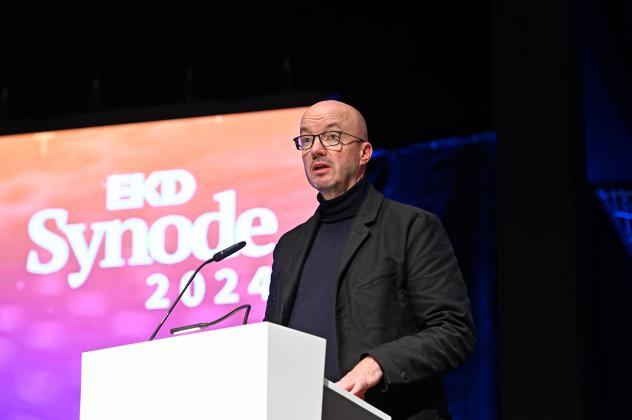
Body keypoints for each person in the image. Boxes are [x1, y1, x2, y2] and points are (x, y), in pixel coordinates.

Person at [264, 100, 475, 420]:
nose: (316, 150)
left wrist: (378, 364)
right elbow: (276, 345)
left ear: (364, 153)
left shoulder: (409, 227)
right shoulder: (289, 247)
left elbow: (454, 331)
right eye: (306, 140)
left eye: (331, 137)